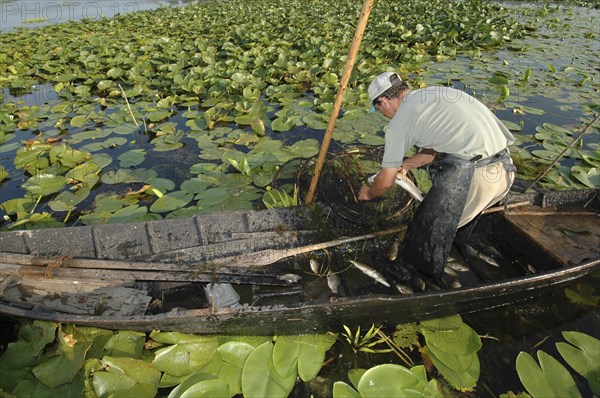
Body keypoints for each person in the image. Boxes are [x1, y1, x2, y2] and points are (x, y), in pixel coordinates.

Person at [358, 71, 516, 285]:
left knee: (427, 229)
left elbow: (384, 182)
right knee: (450, 223)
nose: (383, 114)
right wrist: (407, 164)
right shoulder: (432, 94)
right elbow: (432, 150)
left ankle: (411, 276)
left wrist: (368, 193)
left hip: (477, 179)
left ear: (383, 101)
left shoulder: (399, 124)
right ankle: (461, 248)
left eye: (378, 109)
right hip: (505, 171)